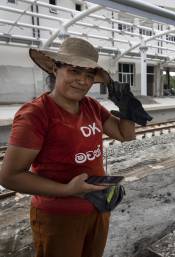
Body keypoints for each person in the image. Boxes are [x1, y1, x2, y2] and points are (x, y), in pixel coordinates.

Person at [0, 37, 136, 257]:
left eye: (89, 75)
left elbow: (125, 134)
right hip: (58, 218)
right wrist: (67, 190)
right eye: (74, 71)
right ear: (55, 69)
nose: (82, 81)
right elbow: (9, 177)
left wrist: (127, 107)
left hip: (98, 208)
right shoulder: (36, 114)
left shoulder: (91, 106)